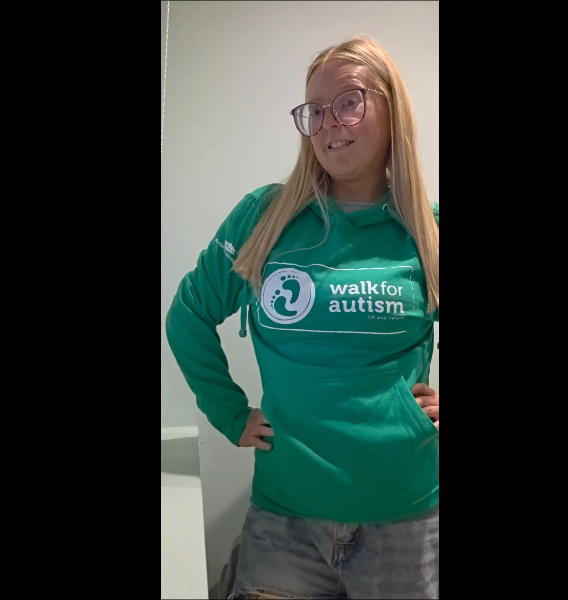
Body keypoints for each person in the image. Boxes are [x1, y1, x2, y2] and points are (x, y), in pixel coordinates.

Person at [166, 35, 439, 600]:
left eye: (349, 100)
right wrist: (229, 412)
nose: (328, 122)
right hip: (284, 521)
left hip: (405, 523)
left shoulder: (427, 227)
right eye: (314, 110)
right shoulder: (265, 217)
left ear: (392, 108)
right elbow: (188, 315)